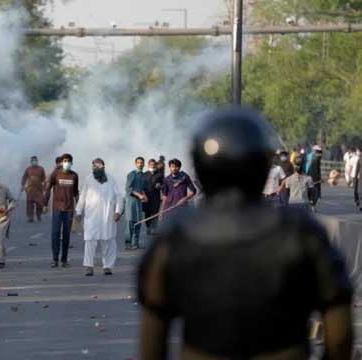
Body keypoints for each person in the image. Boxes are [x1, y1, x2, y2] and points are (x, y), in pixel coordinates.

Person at [137, 109, 352, 360]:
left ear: (200, 166)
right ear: (261, 163)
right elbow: (339, 331)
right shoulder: (303, 232)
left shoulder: (175, 236)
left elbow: (152, 339)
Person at [75, 158, 123, 276]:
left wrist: (118, 211)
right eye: (94, 166)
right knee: (90, 241)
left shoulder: (111, 179)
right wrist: (78, 211)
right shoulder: (88, 179)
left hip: (107, 216)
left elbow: (118, 196)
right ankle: (89, 266)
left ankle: (107, 266)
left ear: (103, 167)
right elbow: (83, 196)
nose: (96, 168)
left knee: (108, 241)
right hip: (92, 216)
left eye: (98, 166)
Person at [44, 153, 79, 268]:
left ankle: (64, 260)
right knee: (55, 233)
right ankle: (55, 259)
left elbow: (76, 193)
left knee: (66, 235)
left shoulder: (74, 176)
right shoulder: (56, 174)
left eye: (68, 161)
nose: (66, 163)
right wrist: (45, 204)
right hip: (57, 208)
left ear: (72, 163)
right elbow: (48, 189)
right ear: (62, 162)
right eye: (65, 161)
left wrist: (78, 208)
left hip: (69, 209)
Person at [124, 157, 147, 250]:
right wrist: (139, 195)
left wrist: (145, 196)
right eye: (138, 163)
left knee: (138, 222)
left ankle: (135, 243)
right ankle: (128, 243)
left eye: (142, 163)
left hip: (138, 203)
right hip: (131, 202)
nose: (140, 164)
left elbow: (141, 189)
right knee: (130, 222)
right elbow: (128, 188)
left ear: (144, 164)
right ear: (135, 164)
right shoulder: (132, 174)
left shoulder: (142, 175)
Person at [142, 159, 163, 246]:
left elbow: (164, 185)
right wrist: (142, 195)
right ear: (148, 165)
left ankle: (154, 228)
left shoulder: (159, 175)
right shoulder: (144, 174)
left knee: (155, 212)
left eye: (154, 164)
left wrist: (160, 186)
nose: (152, 165)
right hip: (146, 197)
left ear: (156, 165)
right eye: (151, 164)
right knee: (147, 213)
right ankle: (148, 226)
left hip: (156, 197)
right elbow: (141, 185)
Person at [21, 156, 46, 223]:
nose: (34, 162)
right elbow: (24, 177)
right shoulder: (28, 169)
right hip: (30, 190)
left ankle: (38, 215)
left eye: (35, 160)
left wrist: (45, 186)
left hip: (39, 189)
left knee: (39, 204)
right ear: (31, 162)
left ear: (37, 161)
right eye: (33, 161)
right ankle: (30, 217)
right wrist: (23, 185)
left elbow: (44, 179)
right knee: (29, 204)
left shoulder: (41, 169)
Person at [308, 145, 323, 212]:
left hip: (315, 180)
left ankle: (312, 206)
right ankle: (312, 206)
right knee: (315, 193)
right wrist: (318, 179)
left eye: (320, 153)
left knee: (315, 193)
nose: (320, 154)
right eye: (318, 153)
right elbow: (314, 171)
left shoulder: (317, 160)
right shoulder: (315, 160)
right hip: (314, 179)